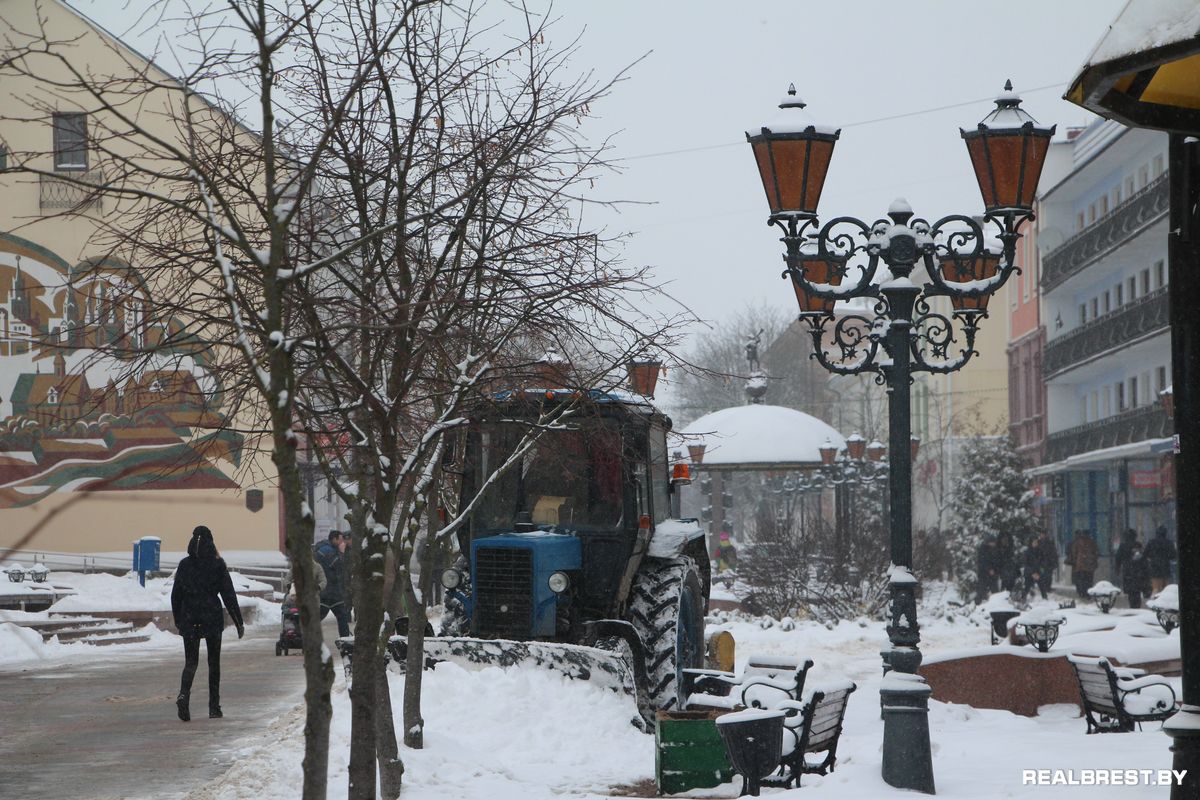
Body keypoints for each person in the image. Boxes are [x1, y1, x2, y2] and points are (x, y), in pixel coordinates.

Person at [171, 525, 244, 722]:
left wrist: (178, 618)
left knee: (191, 662)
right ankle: (214, 707)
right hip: (211, 616)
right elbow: (228, 594)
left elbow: (176, 594)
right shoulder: (217, 564)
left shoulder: (184, 565)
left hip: (189, 616)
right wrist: (238, 621)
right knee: (214, 663)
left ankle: (184, 696)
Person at [315, 530, 351, 637]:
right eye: (340, 540)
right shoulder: (328, 551)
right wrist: (342, 552)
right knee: (341, 617)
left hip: (330, 592)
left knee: (341, 617)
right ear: (334, 539)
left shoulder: (326, 549)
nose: (342, 542)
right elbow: (339, 566)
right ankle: (345, 640)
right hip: (329, 592)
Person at [1023, 531, 1058, 600]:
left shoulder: (1040, 551)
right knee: (1027, 587)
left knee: (1042, 587)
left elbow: (1043, 562)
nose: (1035, 544)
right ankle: (1023, 599)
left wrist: (1039, 572)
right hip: (1030, 574)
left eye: (1036, 542)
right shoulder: (1027, 552)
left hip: (1038, 573)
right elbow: (1026, 564)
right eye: (1034, 542)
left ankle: (1045, 600)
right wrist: (1032, 573)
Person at [1143, 526, 1177, 595]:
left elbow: (1145, 554)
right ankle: (1165, 602)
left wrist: (1152, 558)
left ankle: (1156, 602)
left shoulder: (1151, 542)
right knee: (1166, 590)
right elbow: (1173, 555)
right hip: (1165, 568)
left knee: (1156, 589)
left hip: (1154, 568)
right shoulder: (1169, 543)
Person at [975, 535, 999, 603]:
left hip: (993, 575)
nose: (993, 544)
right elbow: (982, 561)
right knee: (981, 591)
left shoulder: (995, 549)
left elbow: (997, 561)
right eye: (992, 542)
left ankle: (997, 604)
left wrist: (995, 570)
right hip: (983, 574)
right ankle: (977, 604)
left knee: (995, 591)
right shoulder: (983, 549)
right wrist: (989, 569)